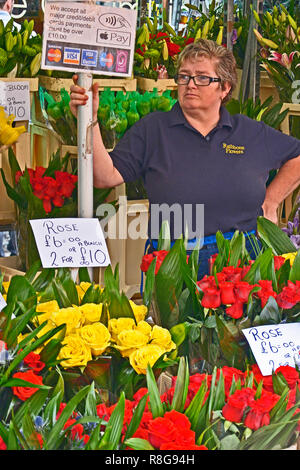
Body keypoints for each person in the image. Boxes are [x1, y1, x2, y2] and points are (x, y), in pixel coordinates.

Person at [69, 39, 300, 278]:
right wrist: (89, 119)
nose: (190, 85)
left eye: (202, 78)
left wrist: (272, 201)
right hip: (175, 260)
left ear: (225, 88)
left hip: (241, 258)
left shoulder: (249, 133)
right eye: (184, 76)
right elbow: (105, 176)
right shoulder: (153, 130)